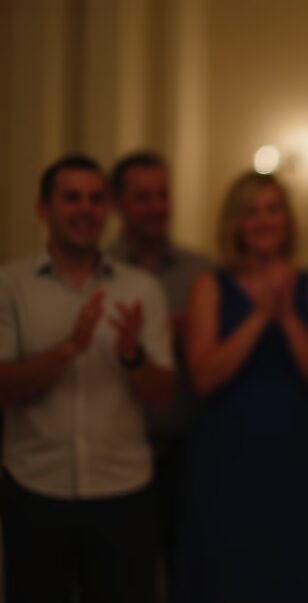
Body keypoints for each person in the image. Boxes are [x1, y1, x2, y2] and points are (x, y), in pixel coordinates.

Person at [0, 154, 175, 602]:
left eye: (96, 199)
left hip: (123, 491)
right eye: (71, 198)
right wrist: (69, 348)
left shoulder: (140, 289)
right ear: (44, 208)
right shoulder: (11, 286)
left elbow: (163, 397)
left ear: (109, 208)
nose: (85, 209)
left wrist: (132, 355)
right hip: (35, 488)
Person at [177, 172, 308, 602]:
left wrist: (286, 317)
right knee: (228, 569)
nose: (264, 221)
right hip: (227, 451)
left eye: (273, 209)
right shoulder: (210, 287)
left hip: (299, 450)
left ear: (286, 219)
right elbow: (204, 377)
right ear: (236, 224)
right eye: (252, 212)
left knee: (296, 565)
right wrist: (258, 317)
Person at [106, 150, 215, 596]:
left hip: (189, 443)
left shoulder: (202, 272)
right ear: (118, 204)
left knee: (189, 572)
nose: (156, 206)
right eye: (143, 197)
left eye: (162, 195)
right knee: (120, 577)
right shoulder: (100, 271)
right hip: (116, 448)